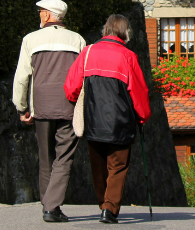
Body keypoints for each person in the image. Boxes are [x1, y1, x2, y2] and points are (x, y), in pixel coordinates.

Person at [64, 14, 150, 224]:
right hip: (120, 122)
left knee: (98, 166)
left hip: (93, 120)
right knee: (117, 167)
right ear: (124, 32)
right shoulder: (127, 56)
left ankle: (103, 205)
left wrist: (79, 102)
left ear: (106, 30)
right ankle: (109, 209)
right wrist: (143, 116)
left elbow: (71, 87)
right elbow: (138, 91)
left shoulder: (88, 52)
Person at [13, 0, 86, 223]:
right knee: (64, 157)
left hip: (41, 107)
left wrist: (21, 107)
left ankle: (49, 206)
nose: (39, 15)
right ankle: (51, 207)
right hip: (69, 106)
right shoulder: (78, 40)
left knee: (45, 158)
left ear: (47, 15)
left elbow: (22, 77)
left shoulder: (30, 39)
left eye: (41, 11)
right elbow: (84, 76)